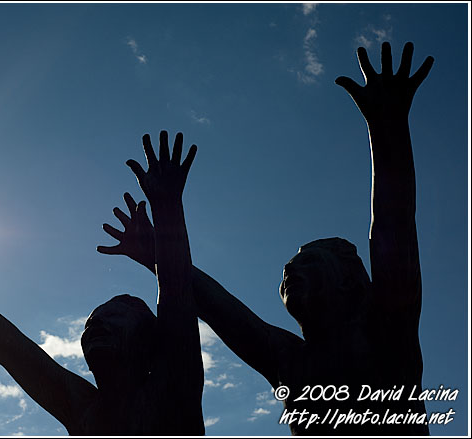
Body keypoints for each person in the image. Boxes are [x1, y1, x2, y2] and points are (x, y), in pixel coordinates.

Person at [98, 42, 433, 435]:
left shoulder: (387, 329)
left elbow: (393, 223)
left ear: (348, 279)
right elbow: (218, 306)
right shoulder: (288, 360)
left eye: (308, 262)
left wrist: (388, 126)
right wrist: (153, 251)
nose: (290, 268)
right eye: (289, 267)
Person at [0, 131, 205, 435]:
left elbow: (175, 294)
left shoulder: (172, 388)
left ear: (146, 339)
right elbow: (12, 350)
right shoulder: (86, 410)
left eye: (113, 318)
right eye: (92, 323)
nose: (96, 326)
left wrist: (167, 209)